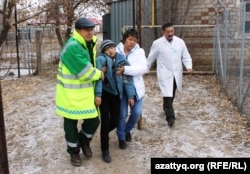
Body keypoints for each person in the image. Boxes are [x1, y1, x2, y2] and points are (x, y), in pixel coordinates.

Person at [55, 17, 104, 166]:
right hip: (70, 95)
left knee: (94, 121)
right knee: (70, 126)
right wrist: (100, 74)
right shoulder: (73, 47)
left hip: (84, 94)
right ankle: (74, 152)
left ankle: (83, 142)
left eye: (92, 29)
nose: (90, 32)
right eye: (87, 30)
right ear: (78, 31)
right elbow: (84, 73)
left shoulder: (87, 43)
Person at [95, 39, 136, 162]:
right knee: (106, 121)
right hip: (104, 94)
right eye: (107, 49)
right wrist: (98, 94)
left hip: (116, 95)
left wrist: (130, 95)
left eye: (112, 47)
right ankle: (105, 150)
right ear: (103, 51)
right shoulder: (101, 60)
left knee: (116, 120)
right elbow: (98, 78)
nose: (110, 50)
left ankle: (103, 134)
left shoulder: (121, 59)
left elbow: (128, 79)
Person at [147, 22, 193, 127]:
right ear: (163, 32)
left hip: (176, 73)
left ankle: (166, 106)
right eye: (168, 32)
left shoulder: (180, 42)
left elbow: (185, 56)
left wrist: (189, 66)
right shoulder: (157, 43)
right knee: (167, 95)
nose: (170, 33)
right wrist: (146, 68)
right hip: (164, 73)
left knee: (172, 93)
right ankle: (170, 117)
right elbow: (151, 58)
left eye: (172, 31)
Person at [116, 29, 148, 149]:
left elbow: (143, 69)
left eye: (135, 40)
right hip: (121, 89)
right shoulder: (116, 50)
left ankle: (126, 130)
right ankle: (121, 137)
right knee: (122, 114)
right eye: (130, 39)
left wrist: (126, 70)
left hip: (137, 88)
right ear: (125, 39)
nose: (132, 42)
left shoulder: (140, 52)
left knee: (136, 113)